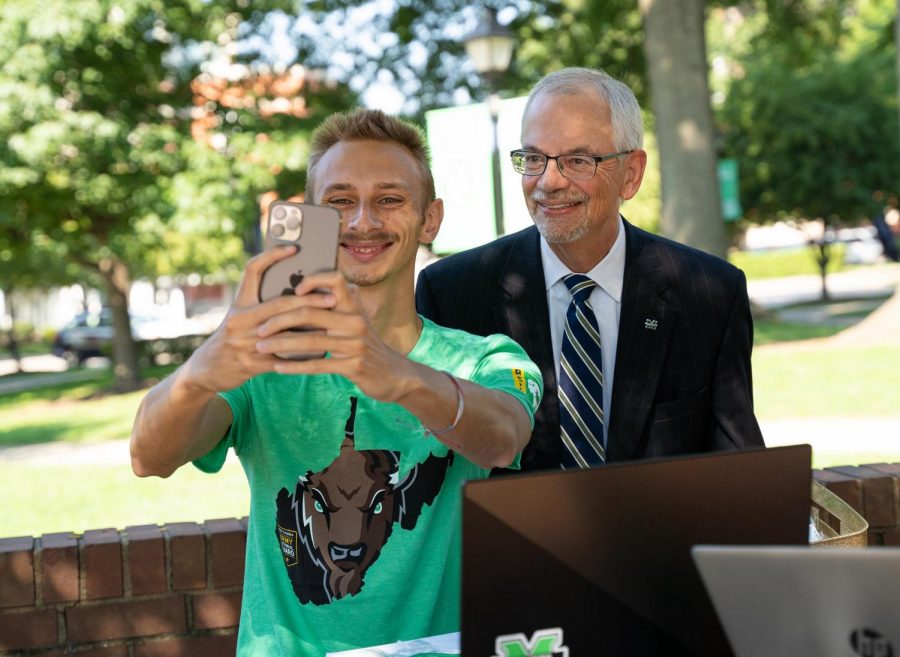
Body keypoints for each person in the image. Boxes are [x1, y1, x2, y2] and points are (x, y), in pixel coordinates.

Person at [130, 108, 542, 656]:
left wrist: (397, 374)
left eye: (390, 200)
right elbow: (149, 456)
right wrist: (199, 371)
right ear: (312, 220)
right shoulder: (266, 359)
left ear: (430, 219)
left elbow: (505, 436)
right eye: (340, 201)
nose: (362, 222)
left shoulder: (486, 357)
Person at [416, 67, 764, 472]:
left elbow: (737, 470)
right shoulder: (453, 294)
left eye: (577, 160)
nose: (548, 181)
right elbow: (431, 475)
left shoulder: (708, 294)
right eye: (533, 158)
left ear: (630, 174)